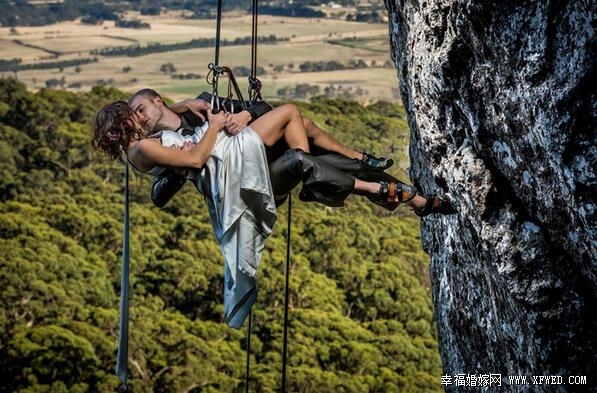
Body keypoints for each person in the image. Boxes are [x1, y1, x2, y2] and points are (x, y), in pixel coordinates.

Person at [130, 88, 456, 216]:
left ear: (159, 101)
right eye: (136, 116)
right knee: (303, 155)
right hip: (254, 183)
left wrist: (246, 114)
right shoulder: (161, 147)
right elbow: (158, 195)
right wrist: (176, 170)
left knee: (336, 161)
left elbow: (260, 107)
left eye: (143, 108)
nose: (141, 118)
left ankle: (418, 201)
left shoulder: (202, 105)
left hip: (270, 158)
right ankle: (341, 175)